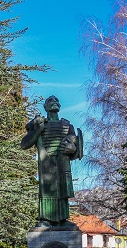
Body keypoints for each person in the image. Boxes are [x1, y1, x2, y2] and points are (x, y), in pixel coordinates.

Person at [21, 96, 83, 228]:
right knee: (47, 190)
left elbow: (76, 147)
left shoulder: (67, 126)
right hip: (46, 162)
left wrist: (72, 148)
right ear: (45, 107)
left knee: (63, 189)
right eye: (50, 101)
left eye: (56, 101)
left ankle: (63, 219)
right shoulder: (37, 123)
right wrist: (38, 129)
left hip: (62, 161)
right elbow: (24, 144)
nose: (54, 102)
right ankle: (46, 219)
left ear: (59, 106)